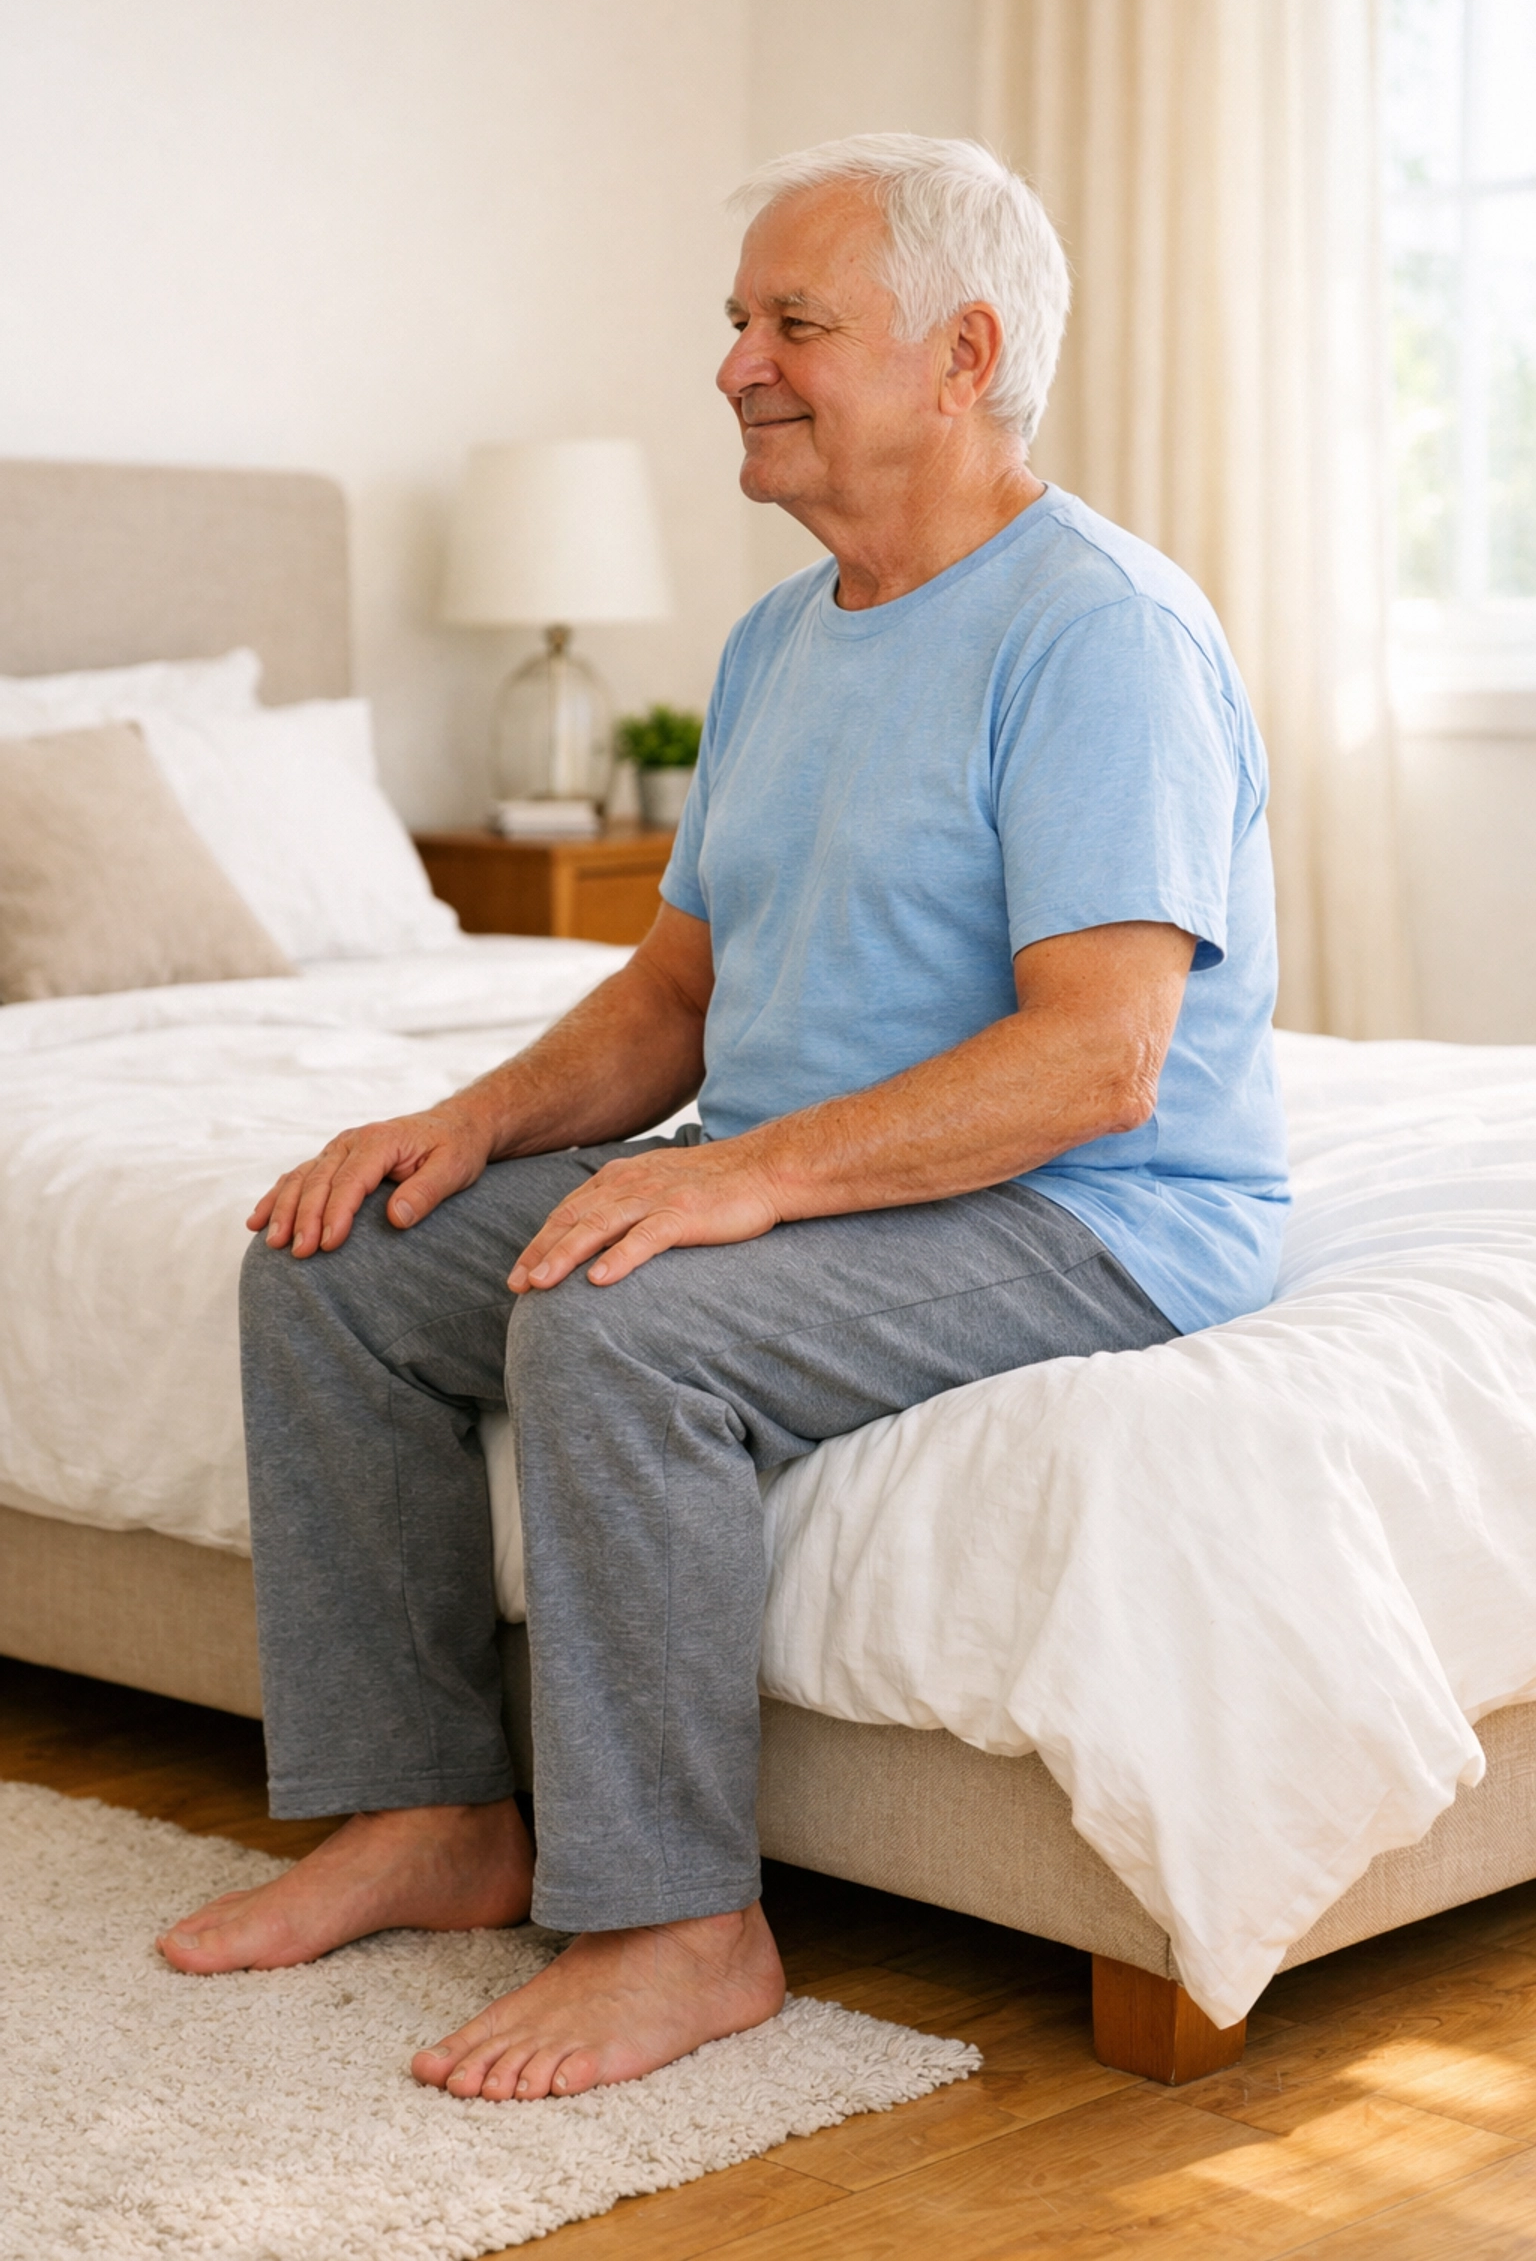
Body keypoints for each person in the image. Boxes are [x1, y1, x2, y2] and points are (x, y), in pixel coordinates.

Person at [158, 134, 1288, 2102]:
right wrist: (468, 1125)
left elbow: (1099, 1061)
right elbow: (678, 993)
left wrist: (746, 1183)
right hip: (836, 1182)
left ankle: (683, 1924)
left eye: (794, 322)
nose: (736, 363)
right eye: (737, 322)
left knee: (620, 1319)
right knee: (339, 1269)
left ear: (962, 354)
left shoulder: (1098, 628)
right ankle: (438, 1818)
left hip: (1095, 1208)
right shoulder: (784, 639)